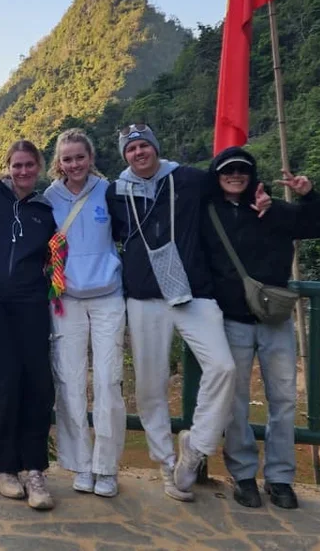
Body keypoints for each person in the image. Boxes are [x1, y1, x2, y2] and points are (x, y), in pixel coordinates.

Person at [104, 124, 255, 502]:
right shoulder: (116, 191)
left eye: (144, 145)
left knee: (223, 367)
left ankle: (197, 446)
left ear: (156, 147)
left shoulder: (187, 179)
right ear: (125, 155)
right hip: (144, 297)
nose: (139, 152)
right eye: (131, 149)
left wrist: (261, 194)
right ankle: (165, 463)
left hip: (193, 292)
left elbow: (231, 185)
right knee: (150, 385)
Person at [202, 147, 320, 510]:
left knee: (283, 399)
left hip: (274, 320)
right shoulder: (209, 213)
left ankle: (280, 478)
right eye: (227, 170)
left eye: (242, 170)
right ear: (216, 175)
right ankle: (243, 475)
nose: (235, 175)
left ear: (252, 175)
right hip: (231, 320)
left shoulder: (273, 209)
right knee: (235, 403)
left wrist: (308, 195)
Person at [0, 139, 58, 509]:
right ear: (7, 166)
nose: (23, 171)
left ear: (39, 167)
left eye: (29, 165)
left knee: (37, 384)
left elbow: (56, 255)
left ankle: (34, 468)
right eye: (16, 165)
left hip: (32, 305)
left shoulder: (44, 210)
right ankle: (2, 466)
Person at [42, 128, 128, 498]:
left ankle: (106, 467)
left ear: (90, 158)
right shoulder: (50, 197)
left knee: (108, 380)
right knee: (70, 381)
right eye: (67, 158)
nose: (74, 164)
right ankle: (80, 463)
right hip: (66, 299)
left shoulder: (108, 191)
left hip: (108, 296)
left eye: (80, 157)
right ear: (58, 163)